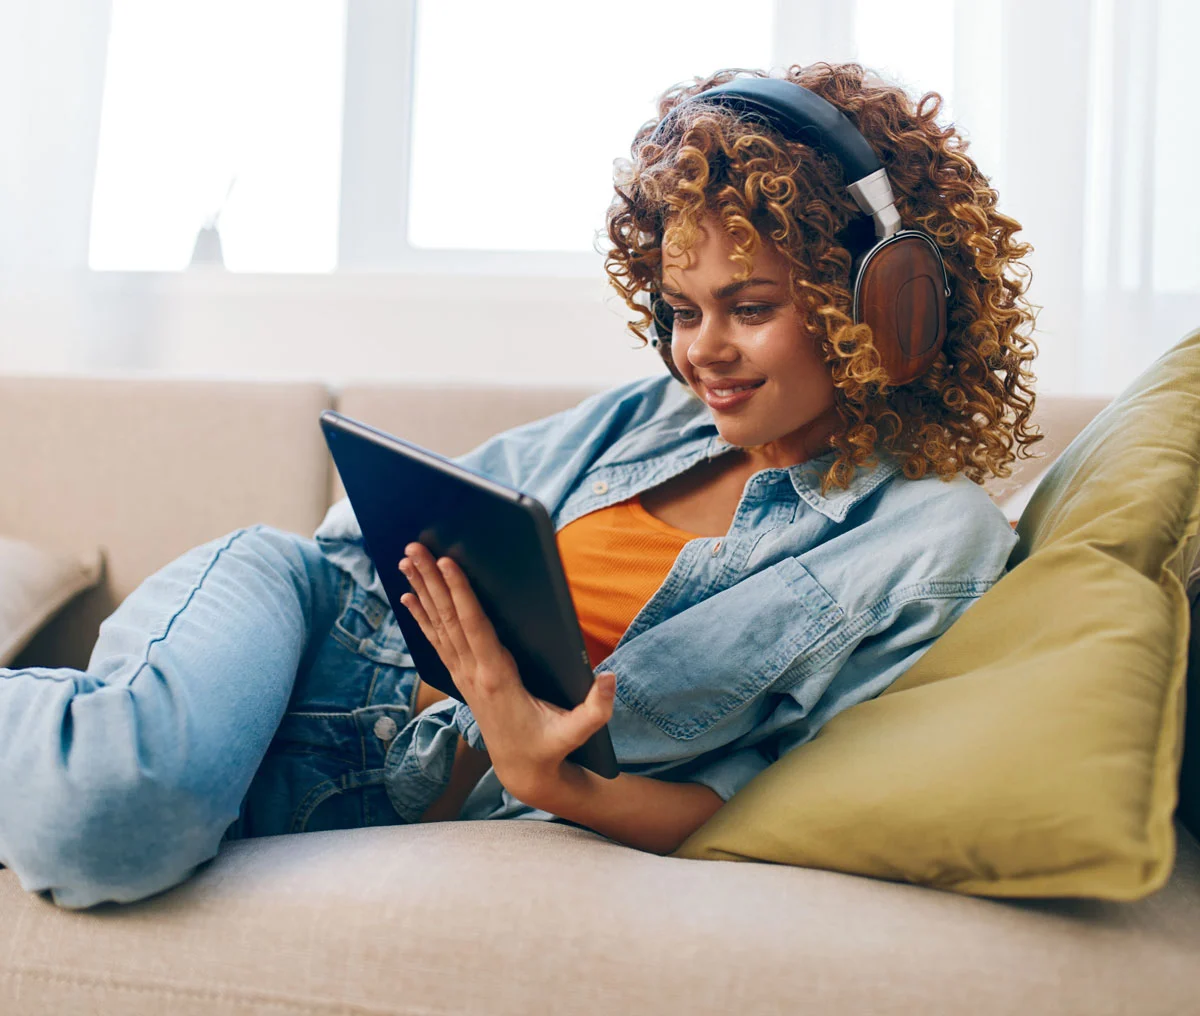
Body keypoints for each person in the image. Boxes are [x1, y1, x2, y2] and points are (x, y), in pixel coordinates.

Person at [0, 61, 1040, 910]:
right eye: (682, 310)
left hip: (357, 776)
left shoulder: (929, 545)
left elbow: (766, 799)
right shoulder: (653, 417)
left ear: (882, 301)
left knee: (116, 810)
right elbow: (371, 534)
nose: (702, 352)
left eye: (749, 304)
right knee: (113, 809)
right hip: (296, 619)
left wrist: (550, 777)